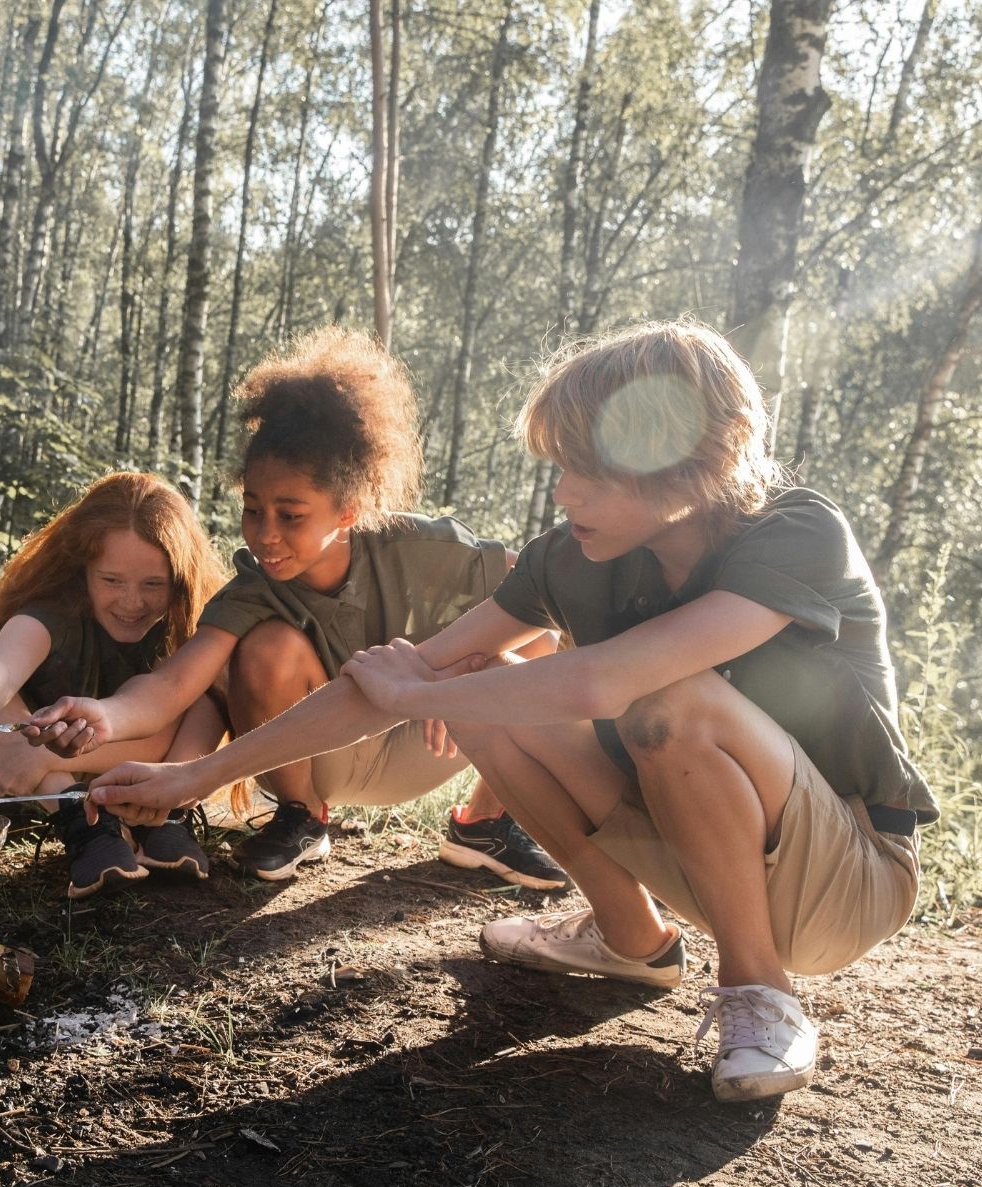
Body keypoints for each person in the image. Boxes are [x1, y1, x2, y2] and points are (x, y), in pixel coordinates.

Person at [81, 321, 933, 1102]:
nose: (561, 493)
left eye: (584, 470)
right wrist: (193, 774)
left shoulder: (794, 531)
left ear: (684, 460)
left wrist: (422, 694)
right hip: (698, 852)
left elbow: (602, 682)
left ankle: (762, 996)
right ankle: (631, 938)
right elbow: (393, 678)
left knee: (671, 704)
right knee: (493, 687)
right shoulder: (576, 557)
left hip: (845, 878)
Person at [23, 328, 564, 887]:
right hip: (315, 750)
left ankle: (485, 823)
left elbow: (545, 602)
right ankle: (302, 817)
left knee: (531, 652)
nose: (266, 535)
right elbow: (170, 687)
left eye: (291, 515)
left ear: (349, 511)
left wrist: (457, 676)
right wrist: (103, 715)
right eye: (252, 510)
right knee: (266, 647)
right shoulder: (253, 590)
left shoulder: (424, 550)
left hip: (425, 743)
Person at [0, 472, 228, 899]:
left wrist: (42, 758)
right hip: (11, 770)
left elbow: (159, 730)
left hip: (126, 774)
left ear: (179, 580)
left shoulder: (181, 626)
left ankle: (165, 818)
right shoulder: (54, 611)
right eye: (111, 581)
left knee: (210, 685)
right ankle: (82, 821)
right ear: (82, 569)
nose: (131, 602)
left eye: (153, 584)